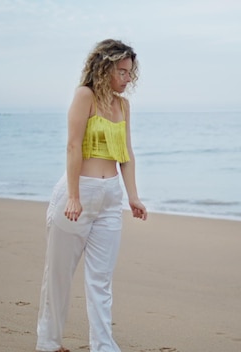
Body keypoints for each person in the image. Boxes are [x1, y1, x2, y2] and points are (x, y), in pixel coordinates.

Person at [36, 39, 147, 352]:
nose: (128, 78)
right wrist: (73, 196)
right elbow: (73, 146)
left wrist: (132, 197)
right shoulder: (84, 96)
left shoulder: (123, 106)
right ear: (105, 68)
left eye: (130, 73)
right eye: (122, 72)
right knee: (59, 274)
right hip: (78, 192)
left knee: (101, 279)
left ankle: (103, 346)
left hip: (110, 198)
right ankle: (48, 342)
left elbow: (126, 154)